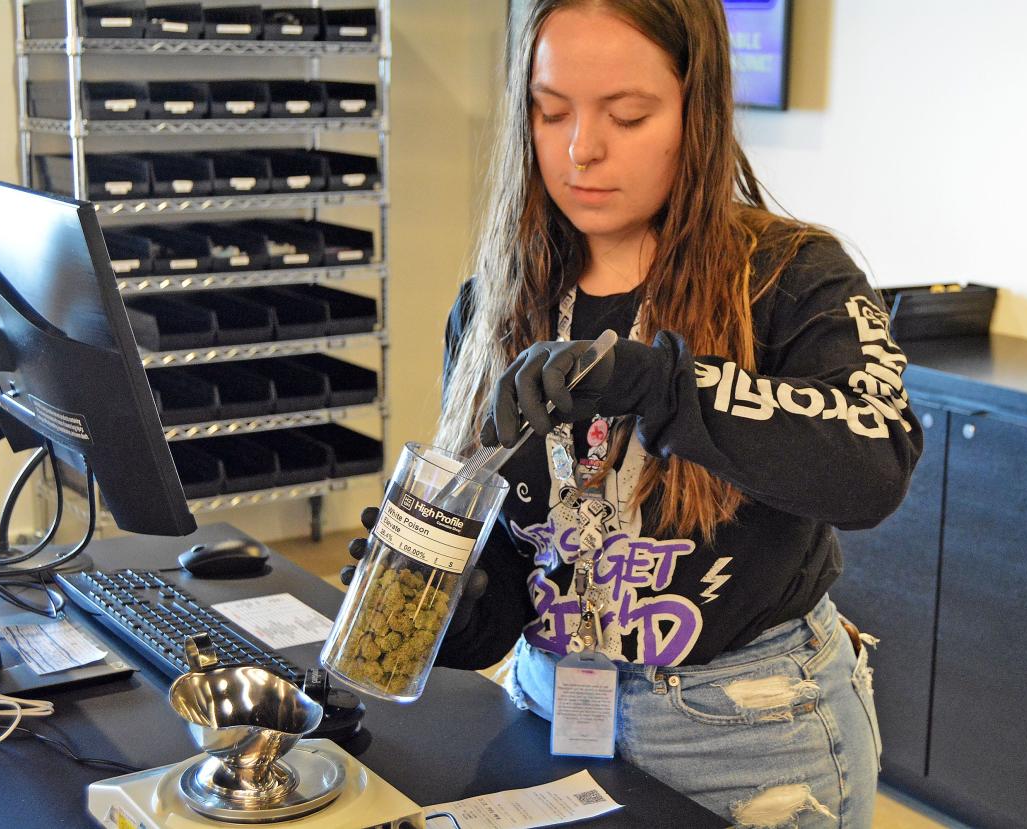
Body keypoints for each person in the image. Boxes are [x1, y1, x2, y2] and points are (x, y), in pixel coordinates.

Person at [353, 1, 922, 825]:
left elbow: (874, 466)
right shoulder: (494, 303)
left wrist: (665, 389)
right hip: (550, 712)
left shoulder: (794, 278)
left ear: (700, 112)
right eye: (551, 112)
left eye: (627, 114)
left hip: (749, 730)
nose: (582, 147)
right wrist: (465, 606)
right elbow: (525, 557)